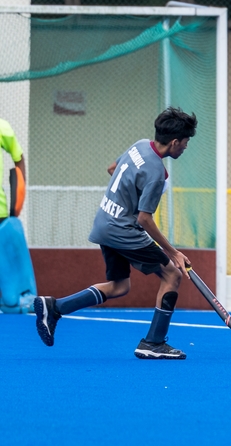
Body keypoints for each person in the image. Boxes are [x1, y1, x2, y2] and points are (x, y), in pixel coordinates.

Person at [33, 107, 197, 359]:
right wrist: (173, 251)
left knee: (119, 286)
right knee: (172, 275)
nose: (185, 148)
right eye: (185, 143)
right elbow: (144, 218)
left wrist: (129, 195)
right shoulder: (155, 173)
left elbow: (112, 168)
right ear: (175, 142)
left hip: (104, 222)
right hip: (123, 229)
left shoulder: (140, 145)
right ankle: (153, 343)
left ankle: (55, 307)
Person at [0, 117, 36, 313]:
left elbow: (18, 158)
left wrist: (18, 197)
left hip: (0, 208)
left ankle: (16, 297)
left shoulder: (2, 127)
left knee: (6, 256)